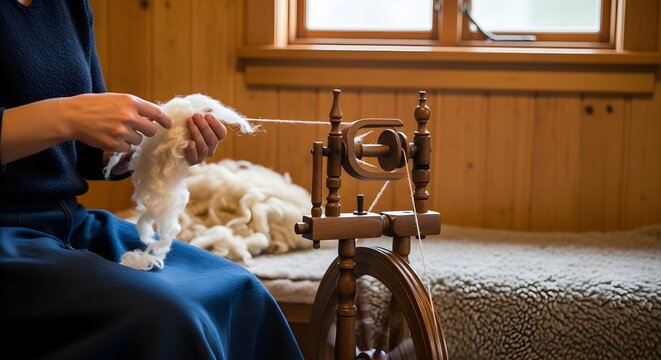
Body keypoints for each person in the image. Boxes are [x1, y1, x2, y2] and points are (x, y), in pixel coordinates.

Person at [0, 1, 304, 359]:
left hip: (68, 222)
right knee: (167, 316)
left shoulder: (67, 6)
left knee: (240, 290)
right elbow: (74, 120)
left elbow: (88, 154)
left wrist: (157, 146)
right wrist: (66, 115)